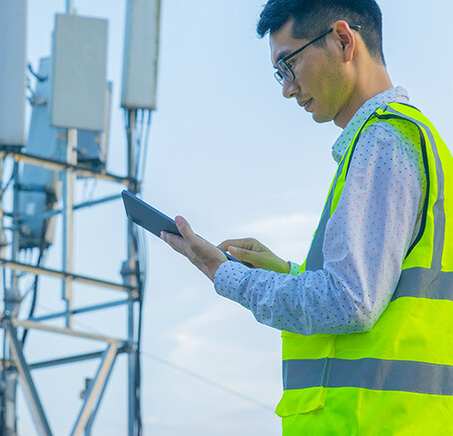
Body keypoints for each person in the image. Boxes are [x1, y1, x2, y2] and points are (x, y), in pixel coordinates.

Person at [161, 0, 453, 434]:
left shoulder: (383, 141)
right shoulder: (410, 141)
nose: (287, 88)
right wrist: (284, 272)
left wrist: (221, 272)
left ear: (342, 40)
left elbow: (349, 301)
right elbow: (372, 292)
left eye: (289, 65)